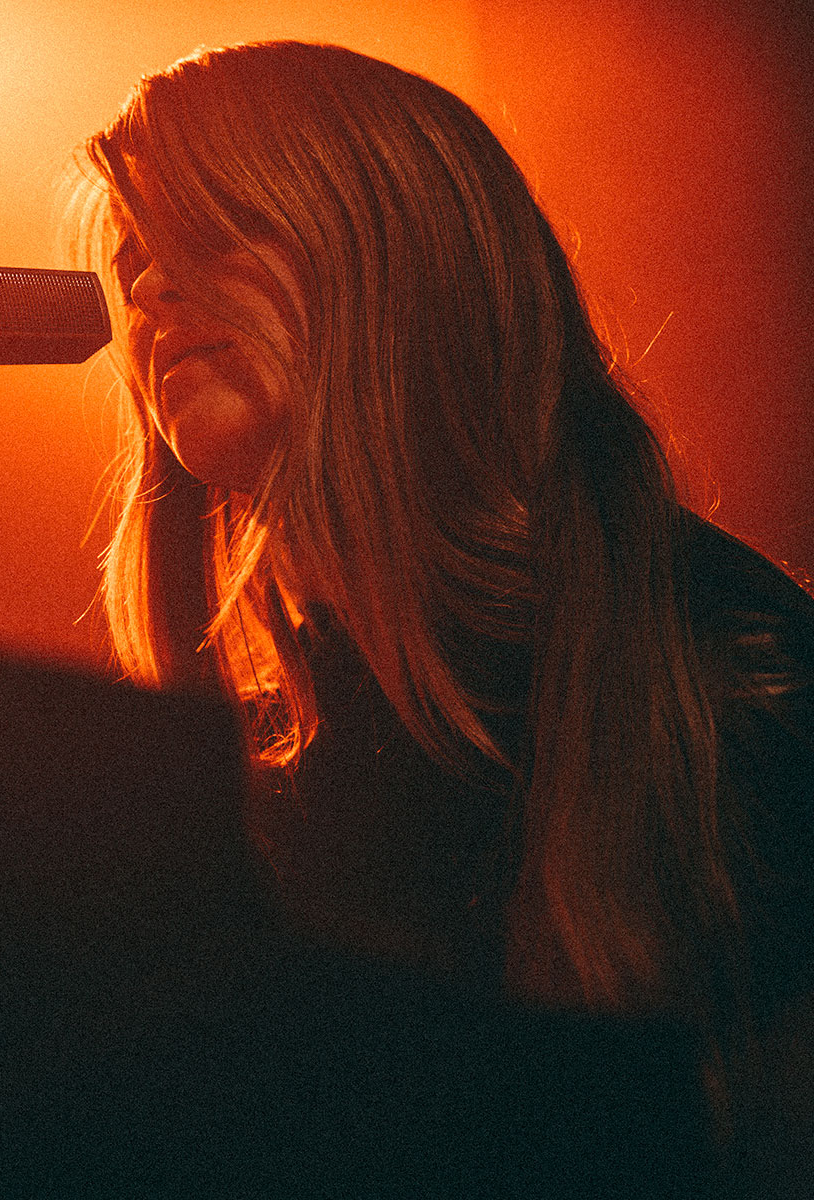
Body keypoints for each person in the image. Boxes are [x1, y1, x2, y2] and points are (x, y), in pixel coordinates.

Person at [75, 40, 812, 1190]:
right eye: (137, 254)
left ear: (391, 252)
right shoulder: (274, 751)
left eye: (214, 231)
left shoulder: (720, 668)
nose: (150, 290)